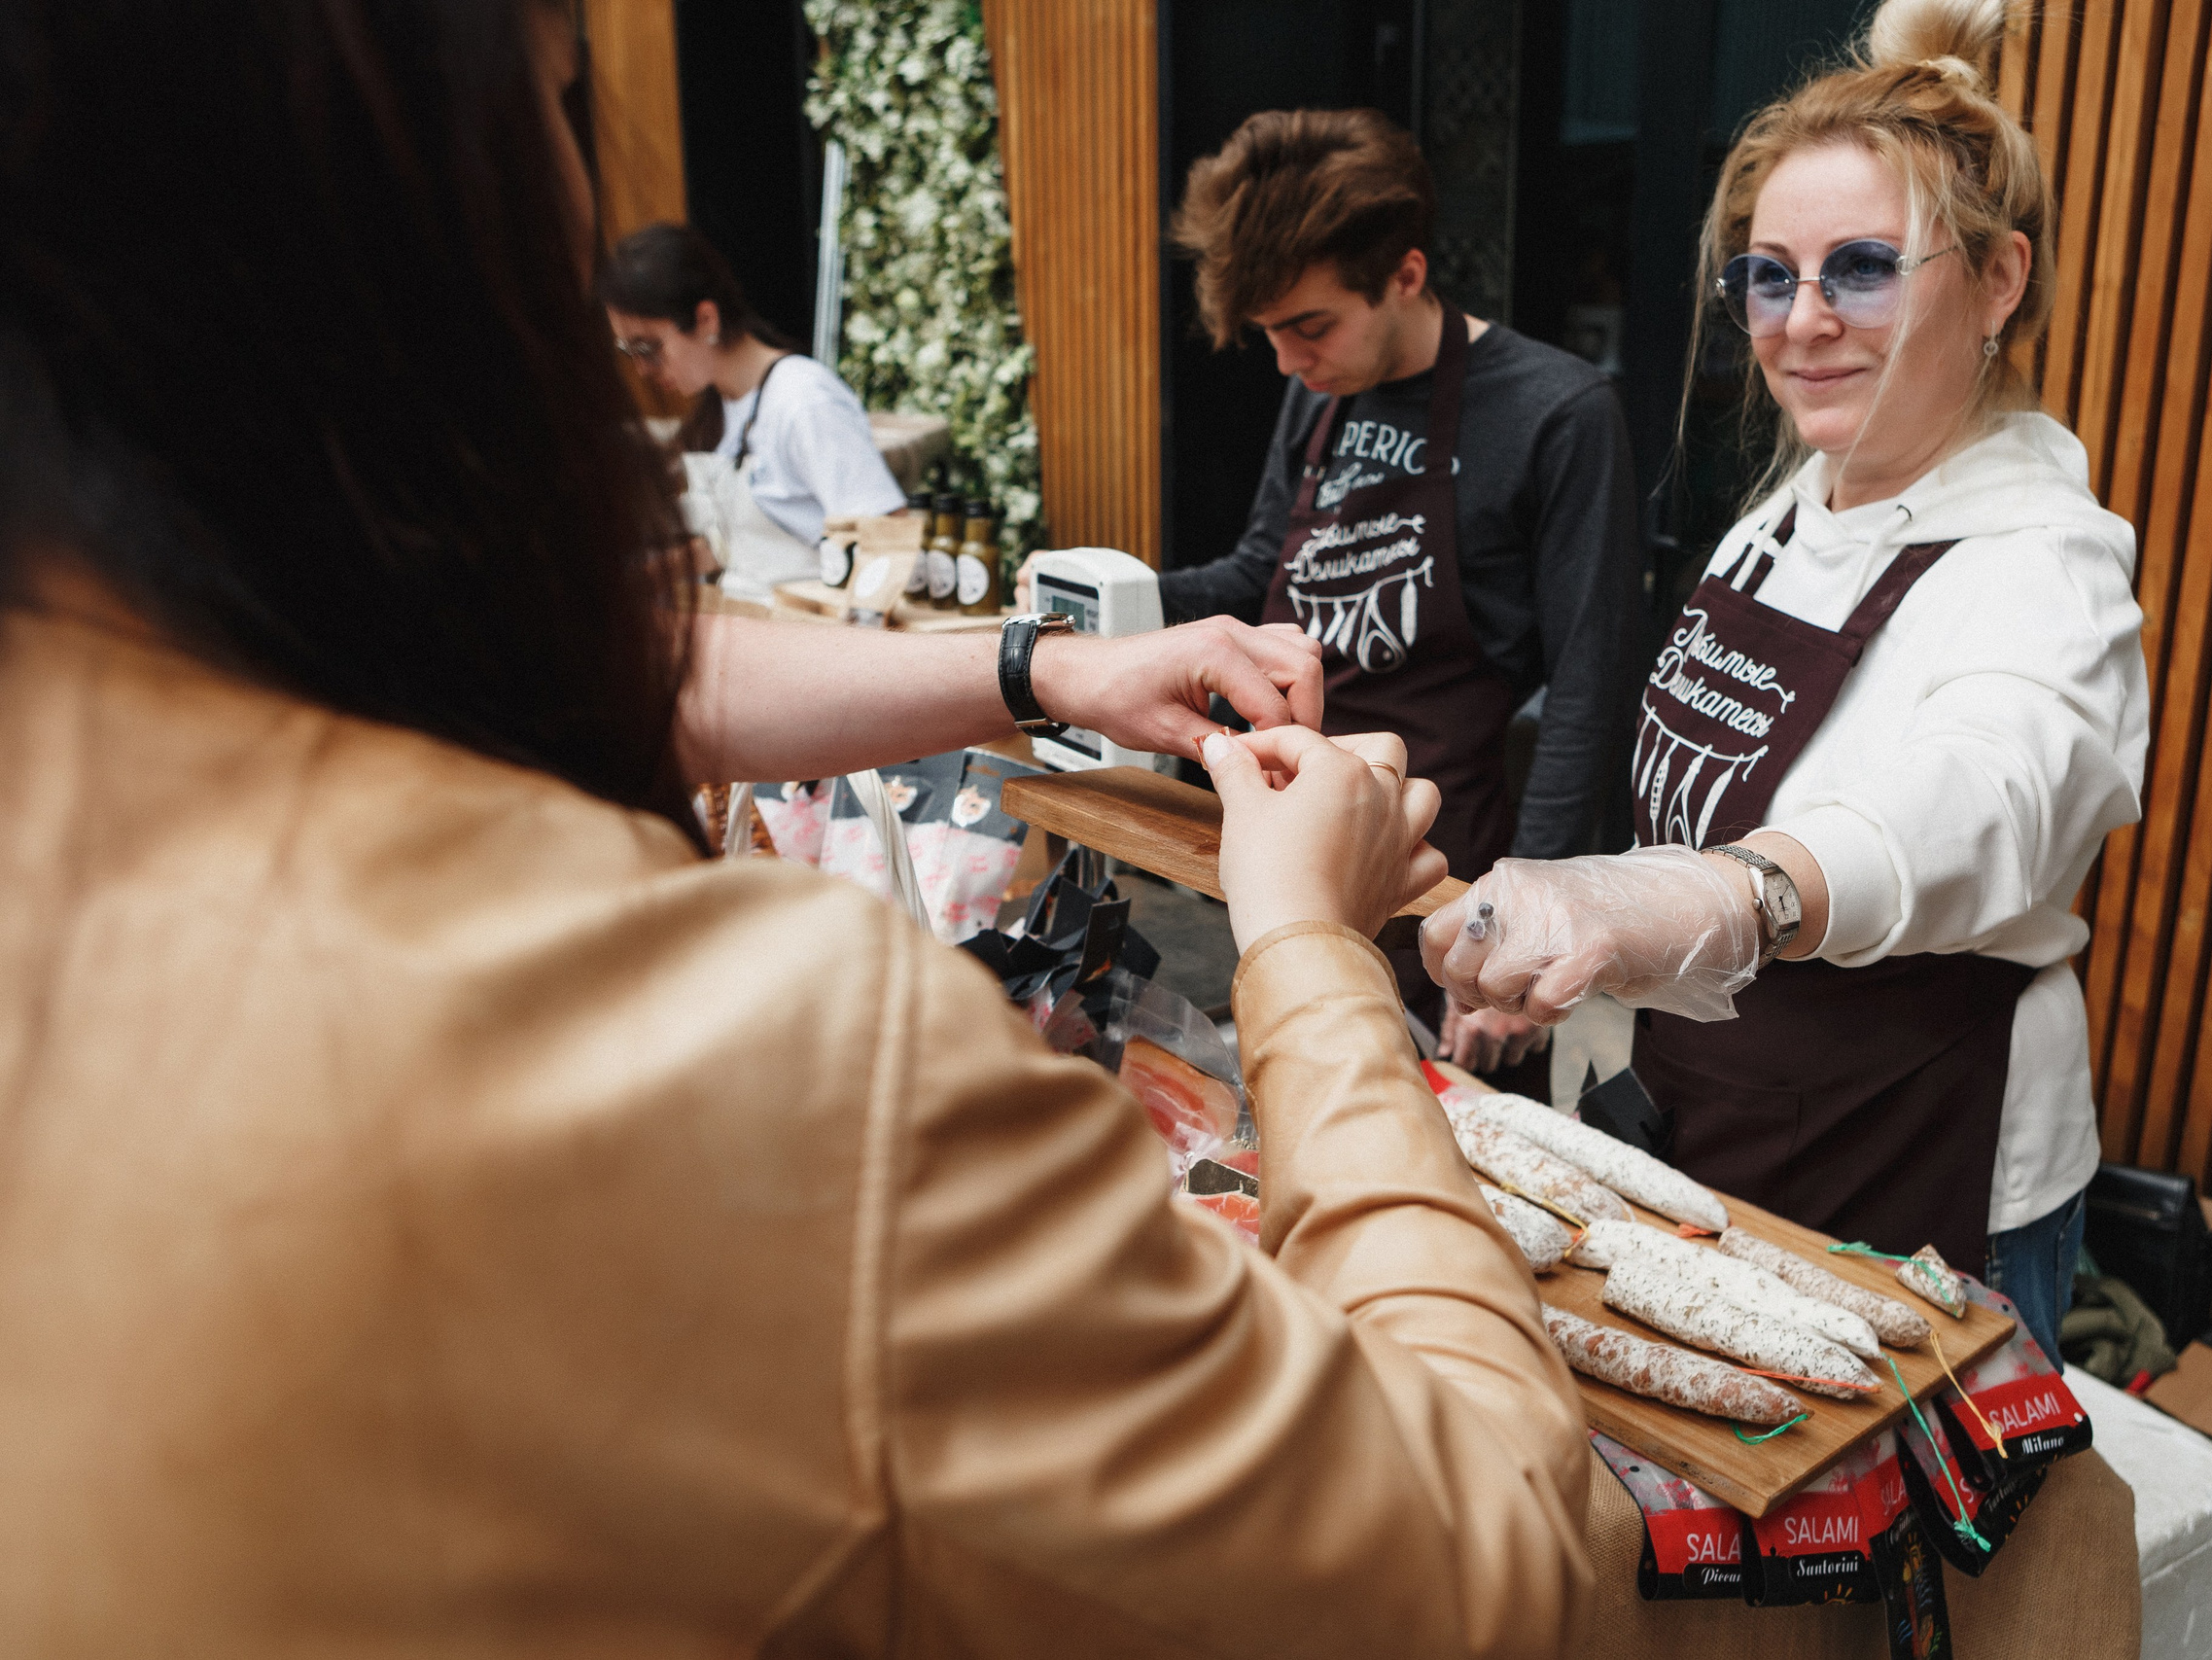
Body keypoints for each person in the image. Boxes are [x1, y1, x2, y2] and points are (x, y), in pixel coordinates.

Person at [0, 4, 1599, 1652]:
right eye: (554, 99)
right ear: (398, 204)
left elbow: (639, 662)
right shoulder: (772, 1047)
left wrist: (1043, 661)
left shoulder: (1554, 415)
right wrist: (1308, 944)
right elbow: (1486, 1559)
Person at [1423, 0, 2149, 1369]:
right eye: (1769, 275)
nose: (1801, 323)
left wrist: (1720, 893)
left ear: (1997, 281)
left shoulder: (2042, 561)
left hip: (1916, 1167)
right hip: (1708, 1116)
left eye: (1862, 269)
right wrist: (1582, 945)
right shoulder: (1792, 505)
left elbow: (1989, 795)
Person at [1154, 109, 1647, 1080]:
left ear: (1407, 275)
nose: (1290, 363)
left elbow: (1590, 694)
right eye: (1270, 336)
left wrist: (1520, 935)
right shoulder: (1317, 387)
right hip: (1293, 864)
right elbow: (1262, 570)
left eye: (1309, 328)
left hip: (1446, 893)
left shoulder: (1557, 414)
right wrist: (1087, 607)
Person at [602, 222, 903, 603]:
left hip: (807, 641)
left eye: (648, 349)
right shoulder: (724, 405)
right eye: (629, 353)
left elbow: (888, 537)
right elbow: (744, 544)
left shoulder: (804, 400)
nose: (643, 370)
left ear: (706, 319)